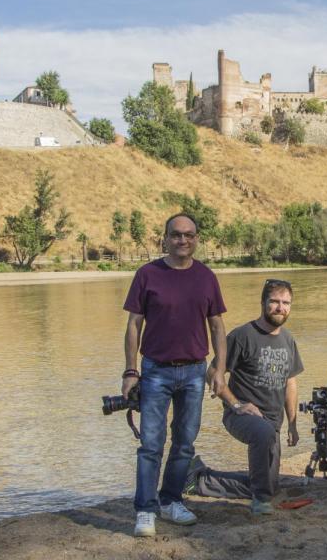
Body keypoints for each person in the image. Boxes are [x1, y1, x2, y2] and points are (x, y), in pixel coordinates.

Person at [121, 213, 227, 537]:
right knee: (151, 444)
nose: (183, 240)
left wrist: (220, 369)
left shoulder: (207, 277)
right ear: (165, 238)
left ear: (197, 239)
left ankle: (170, 501)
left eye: (189, 235)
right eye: (177, 235)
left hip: (195, 372)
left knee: (184, 443)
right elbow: (133, 326)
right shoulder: (147, 274)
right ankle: (145, 510)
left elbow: (218, 326)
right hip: (155, 371)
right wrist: (130, 371)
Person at [186, 279, 303, 515]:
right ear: (263, 303)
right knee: (264, 486)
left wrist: (292, 423)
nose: (281, 308)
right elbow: (212, 373)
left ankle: (200, 479)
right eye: (275, 302)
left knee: (270, 485)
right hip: (240, 416)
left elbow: (291, 383)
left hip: (273, 423)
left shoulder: (288, 340)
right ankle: (260, 502)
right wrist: (236, 404)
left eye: (286, 303)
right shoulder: (242, 336)